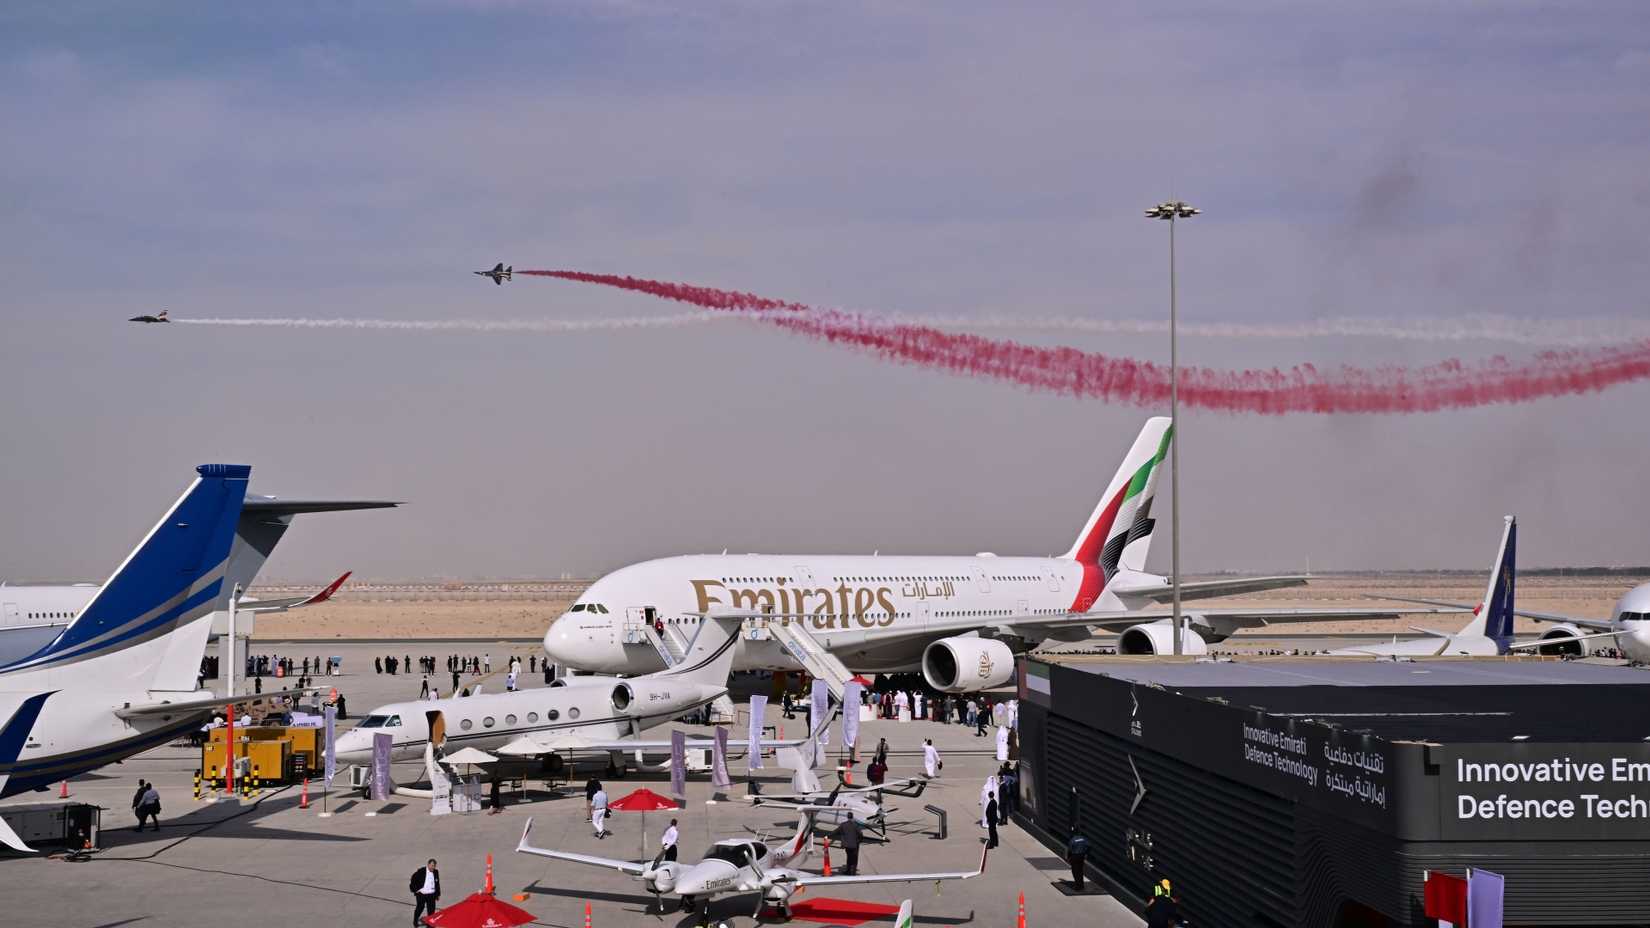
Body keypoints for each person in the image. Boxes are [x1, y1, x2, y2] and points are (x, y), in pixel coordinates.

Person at [410, 858, 441, 926]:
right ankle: (415, 921)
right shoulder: (421, 871)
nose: (433, 867)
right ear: (428, 864)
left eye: (434, 866)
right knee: (420, 908)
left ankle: (429, 925)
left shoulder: (436, 872)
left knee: (431, 910)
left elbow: (437, 883)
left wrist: (438, 894)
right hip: (422, 894)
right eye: (432, 865)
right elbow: (413, 879)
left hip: (431, 895)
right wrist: (416, 890)